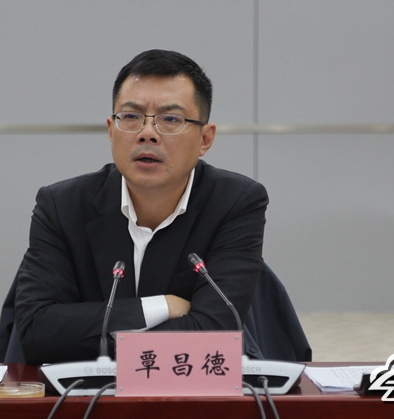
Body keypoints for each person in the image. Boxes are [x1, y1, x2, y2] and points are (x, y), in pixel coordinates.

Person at [14, 49, 269, 364]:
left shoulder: (235, 202)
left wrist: (89, 338)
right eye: (131, 117)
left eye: (170, 119)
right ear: (111, 129)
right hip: (82, 390)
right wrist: (159, 307)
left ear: (205, 139)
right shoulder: (62, 206)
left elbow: (214, 335)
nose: (147, 134)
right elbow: (37, 332)